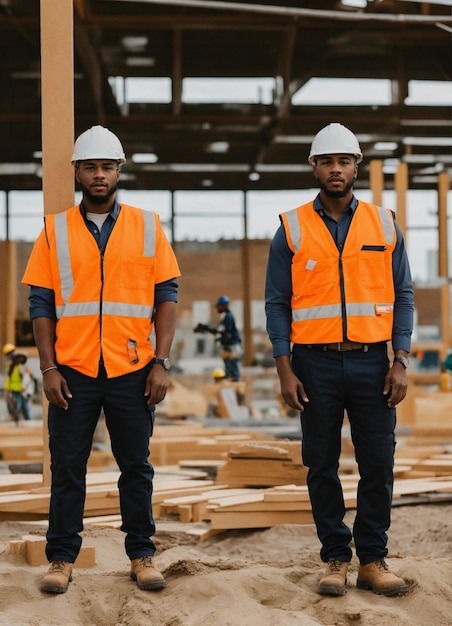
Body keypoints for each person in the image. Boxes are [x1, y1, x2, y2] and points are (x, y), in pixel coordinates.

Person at [21, 125, 181, 594]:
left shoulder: (148, 226)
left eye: (106, 167)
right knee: (67, 465)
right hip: (73, 371)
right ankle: (61, 558)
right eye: (90, 167)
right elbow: (41, 304)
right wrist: (48, 368)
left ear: (118, 171)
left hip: (133, 369)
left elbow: (167, 295)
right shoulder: (55, 230)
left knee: (136, 465)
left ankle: (141, 554)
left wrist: (162, 362)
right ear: (77, 172)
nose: (98, 175)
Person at [265, 122, 414, 598]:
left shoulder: (384, 222)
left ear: (356, 166)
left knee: (378, 463)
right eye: (326, 161)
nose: (335, 169)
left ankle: (372, 558)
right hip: (314, 366)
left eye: (344, 161)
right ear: (314, 167)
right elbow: (277, 303)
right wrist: (284, 367)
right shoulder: (290, 227)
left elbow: (404, 294)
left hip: (374, 364)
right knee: (320, 464)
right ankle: (335, 557)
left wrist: (400, 358)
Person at [4, 351, 32, 423]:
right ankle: (18, 420)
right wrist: (7, 388)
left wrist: (23, 388)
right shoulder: (10, 367)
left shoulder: (21, 367)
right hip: (14, 390)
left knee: (22, 406)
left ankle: (26, 420)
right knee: (16, 406)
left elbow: (27, 377)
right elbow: (9, 378)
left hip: (21, 390)